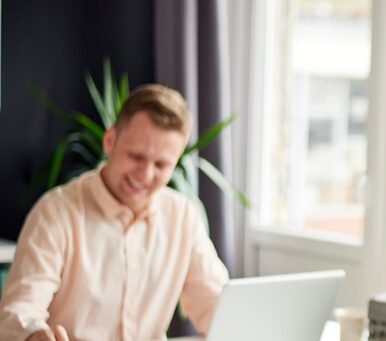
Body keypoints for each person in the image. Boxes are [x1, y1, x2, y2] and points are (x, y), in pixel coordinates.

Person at [0, 84, 230, 341]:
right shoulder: (56, 213)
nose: (145, 174)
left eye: (161, 164)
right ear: (110, 140)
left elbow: (218, 308)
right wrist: (34, 335)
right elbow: (17, 312)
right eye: (136, 156)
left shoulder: (183, 216)